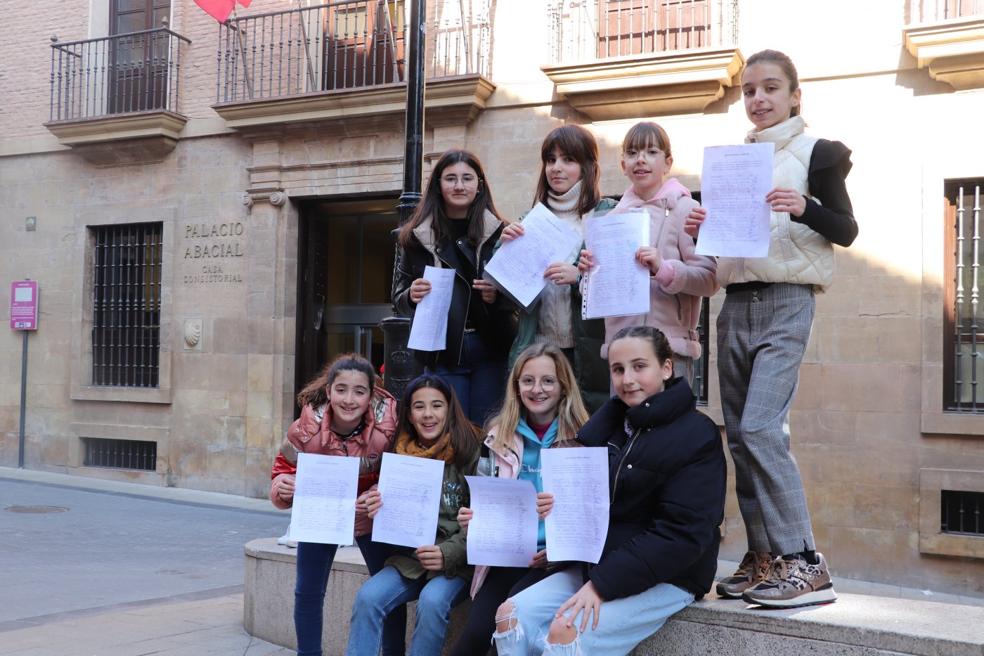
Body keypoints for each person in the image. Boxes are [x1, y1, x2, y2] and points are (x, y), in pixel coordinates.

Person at [687, 49, 858, 608]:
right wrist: (700, 222)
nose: (758, 99)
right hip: (734, 303)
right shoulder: (734, 162)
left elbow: (847, 229)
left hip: (788, 299)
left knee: (762, 427)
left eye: (770, 89)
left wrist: (806, 206)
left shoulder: (820, 153)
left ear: (794, 95)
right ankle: (765, 557)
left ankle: (805, 562)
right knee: (739, 435)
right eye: (750, 91)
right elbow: (724, 240)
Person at [491, 326, 725, 656]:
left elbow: (683, 535)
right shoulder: (606, 428)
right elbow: (590, 512)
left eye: (639, 366)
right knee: (511, 615)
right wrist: (557, 512)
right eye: (618, 369)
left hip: (672, 574)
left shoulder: (697, 435)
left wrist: (602, 585)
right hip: (601, 565)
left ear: (667, 368)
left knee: (566, 632)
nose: (628, 379)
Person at [449, 342, 590, 656]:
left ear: (563, 386)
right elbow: (484, 498)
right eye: (528, 381)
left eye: (547, 381)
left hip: (556, 561)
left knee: (510, 629)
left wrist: (556, 549)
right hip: (506, 556)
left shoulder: (584, 437)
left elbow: (592, 513)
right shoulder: (496, 436)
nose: (537, 389)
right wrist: (472, 520)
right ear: (516, 386)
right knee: (471, 639)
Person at [269, 353, 405, 656]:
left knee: (387, 592)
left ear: (371, 394)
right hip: (322, 515)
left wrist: (381, 491)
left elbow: (402, 474)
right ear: (328, 391)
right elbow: (281, 470)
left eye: (359, 391)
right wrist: (283, 487)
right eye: (341, 389)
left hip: (370, 516)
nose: (349, 399)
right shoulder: (304, 429)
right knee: (307, 592)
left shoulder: (390, 428)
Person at [345, 374, 480, 656]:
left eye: (437, 406)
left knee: (432, 602)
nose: (428, 414)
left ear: (449, 408)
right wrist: (375, 506)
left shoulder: (472, 451)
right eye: (419, 406)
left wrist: (447, 553)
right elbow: (391, 512)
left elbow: (484, 521)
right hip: (410, 560)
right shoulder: (398, 453)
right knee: (368, 598)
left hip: (455, 565)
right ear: (408, 413)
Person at [579, 121, 718, 387]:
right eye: (632, 153)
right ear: (623, 165)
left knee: (671, 428)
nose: (640, 159)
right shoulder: (610, 220)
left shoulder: (685, 209)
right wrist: (589, 277)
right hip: (624, 353)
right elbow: (595, 297)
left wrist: (663, 269)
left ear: (668, 163)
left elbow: (709, 279)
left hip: (670, 349)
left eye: (651, 152)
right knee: (628, 428)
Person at [393, 149, 516, 425]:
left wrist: (496, 296)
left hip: (492, 346)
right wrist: (411, 295)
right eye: (450, 178)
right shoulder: (414, 237)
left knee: (488, 432)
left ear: (479, 185)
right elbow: (397, 296)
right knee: (451, 434)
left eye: (466, 178)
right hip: (443, 351)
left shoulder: (501, 232)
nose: (459, 186)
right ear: (438, 185)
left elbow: (520, 296)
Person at [501, 125, 616, 410]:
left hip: (589, 352)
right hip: (537, 347)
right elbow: (505, 297)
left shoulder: (606, 215)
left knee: (584, 435)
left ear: (587, 166)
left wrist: (579, 278)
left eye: (568, 159)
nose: (556, 168)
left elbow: (623, 288)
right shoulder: (530, 219)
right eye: (550, 160)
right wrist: (503, 251)